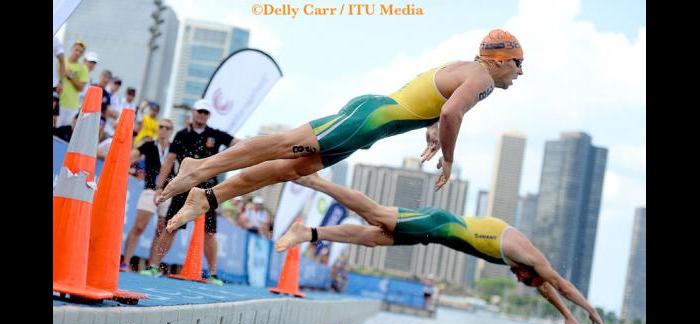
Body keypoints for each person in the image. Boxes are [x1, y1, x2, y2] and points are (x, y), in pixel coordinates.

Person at [157, 29, 525, 231]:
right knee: (286, 145)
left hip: (369, 124)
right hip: (369, 118)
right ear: (502, 59)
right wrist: (448, 158)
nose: (520, 72)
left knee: (291, 168)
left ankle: (208, 197)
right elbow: (450, 113)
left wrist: (429, 125)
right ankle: (198, 169)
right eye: (518, 64)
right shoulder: (482, 79)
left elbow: (435, 102)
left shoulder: (464, 69)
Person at [275, 173, 607, 324]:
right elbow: (558, 284)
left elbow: (546, 288)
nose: (519, 278)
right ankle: (315, 182)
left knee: (371, 239)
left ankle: (308, 233)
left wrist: (567, 316)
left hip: (431, 236)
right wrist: (588, 309)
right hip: (436, 224)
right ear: (534, 270)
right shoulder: (529, 256)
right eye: (524, 278)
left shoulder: (529, 266)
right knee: (375, 214)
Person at [143, 99, 239, 285]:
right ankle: (154, 266)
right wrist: (159, 187)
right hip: (184, 186)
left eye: (205, 112)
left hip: (209, 189)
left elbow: (239, 144)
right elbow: (169, 161)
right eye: (199, 111)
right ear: (193, 112)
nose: (202, 115)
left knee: (210, 232)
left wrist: (258, 150)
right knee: (171, 226)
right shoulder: (181, 135)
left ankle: (212, 274)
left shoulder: (216, 135)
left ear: (208, 115)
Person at [120, 119, 175, 271]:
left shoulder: (175, 148)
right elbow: (130, 156)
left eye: (167, 127)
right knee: (139, 226)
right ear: (158, 129)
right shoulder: (149, 145)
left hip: (168, 192)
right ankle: (125, 262)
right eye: (161, 127)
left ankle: (152, 266)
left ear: (171, 131)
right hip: (150, 190)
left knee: (161, 230)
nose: (163, 130)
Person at [57, 41, 88, 127]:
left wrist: (70, 76)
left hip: (71, 106)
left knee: (62, 135)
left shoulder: (83, 68)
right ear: (71, 49)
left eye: (80, 52)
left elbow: (81, 88)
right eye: (76, 50)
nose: (78, 53)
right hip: (57, 102)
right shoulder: (61, 61)